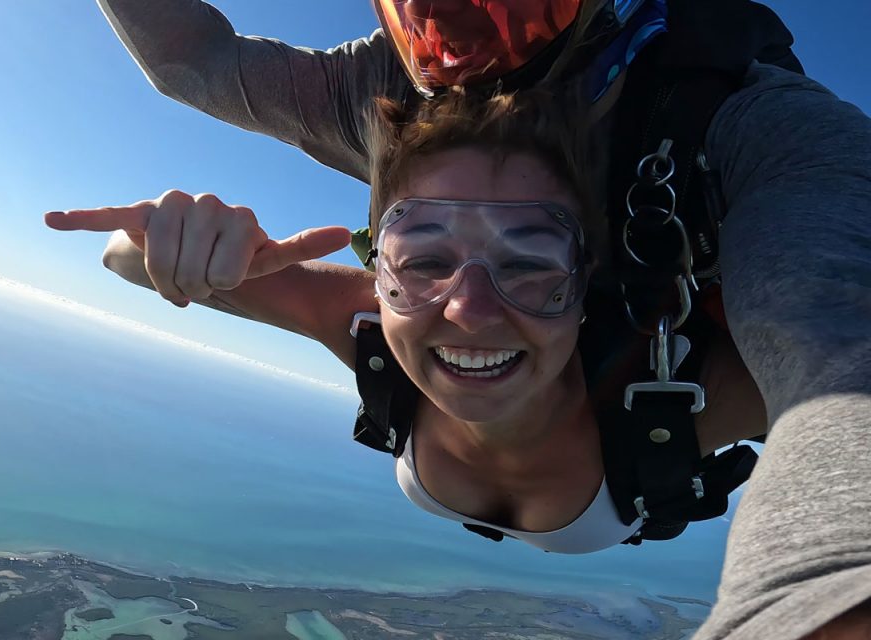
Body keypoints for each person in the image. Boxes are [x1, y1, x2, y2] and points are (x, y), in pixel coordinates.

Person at [89, 1, 871, 638]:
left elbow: (834, 357)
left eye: (503, 5)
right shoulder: (394, 94)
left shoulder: (748, 127)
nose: (458, 51)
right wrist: (188, 248)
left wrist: (817, 598)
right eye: (421, 10)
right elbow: (191, 72)